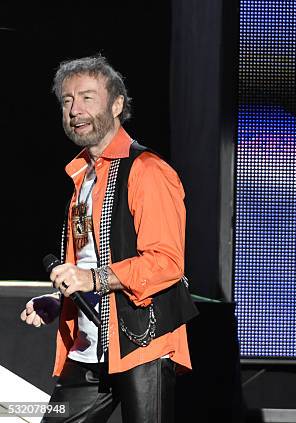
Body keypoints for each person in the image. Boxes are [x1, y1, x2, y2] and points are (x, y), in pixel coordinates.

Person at [20, 55, 197, 422]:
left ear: (117, 104)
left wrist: (90, 279)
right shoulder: (82, 176)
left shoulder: (147, 171)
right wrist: (59, 298)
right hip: (88, 350)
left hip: (143, 347)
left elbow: (166, 262)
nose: (75, 110)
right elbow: (87, 261)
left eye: (87, 97)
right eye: (67, 101)